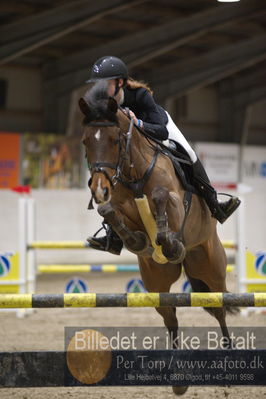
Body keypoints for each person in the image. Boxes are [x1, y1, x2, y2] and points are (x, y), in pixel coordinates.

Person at [86, 56, 240, 255]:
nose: (100, 88)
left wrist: (138, 123)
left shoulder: (140, 95)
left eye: (104, 83)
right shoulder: (99, 101)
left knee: (189, 152)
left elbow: (162, 132)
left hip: (157, 127)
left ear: (120, 83)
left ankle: (215, 204)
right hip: (128, 142)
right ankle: (112, 236)